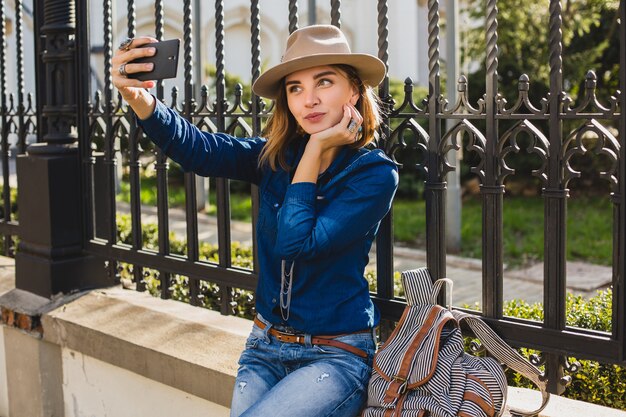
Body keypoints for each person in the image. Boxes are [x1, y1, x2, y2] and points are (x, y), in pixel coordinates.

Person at [112, 24, 399, 417]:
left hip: (335, 354)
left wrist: (315, 148)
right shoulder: (276, 157)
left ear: (353, 90)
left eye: (324, 82)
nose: (308, 99)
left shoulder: (374, 175)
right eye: (295, 88)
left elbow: (296, 244)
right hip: (264, 345)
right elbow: (202, 151)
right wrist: (139, 98)